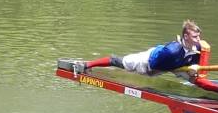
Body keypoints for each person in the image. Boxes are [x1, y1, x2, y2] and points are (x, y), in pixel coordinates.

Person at [81, 20, 210, 75]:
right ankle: (87, 65)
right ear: (186, 37)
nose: (199, 40)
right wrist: (176, 64)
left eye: (199, 36)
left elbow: (196, 67)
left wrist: (194, 69)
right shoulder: (172, 51)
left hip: (170, 62)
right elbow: (154, 65)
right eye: (195, 37)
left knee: (191, 72)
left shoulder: (199, 47)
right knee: (117, 61)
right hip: (147, 61)